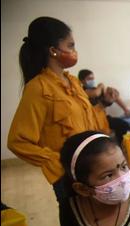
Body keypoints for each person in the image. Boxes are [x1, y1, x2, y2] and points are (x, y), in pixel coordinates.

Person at [8, 16, 101, 203]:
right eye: (71, 45)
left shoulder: (74, 82)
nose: (75, 51)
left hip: (93, 166)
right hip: (68, 177)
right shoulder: (38, 88)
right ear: (53, 51)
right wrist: (56, 163)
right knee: (78, 225)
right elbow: (17, 141)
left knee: (101, 223)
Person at [78, 69, 130, 144]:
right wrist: (101, 86)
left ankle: (121, 145)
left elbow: (115, 98)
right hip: (90, 121)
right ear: (81, 80)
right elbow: (95, 94)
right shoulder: (81, 91)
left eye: (93, 78)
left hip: (103, 117)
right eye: (89, 79)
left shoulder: (96, 89)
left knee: (123, 124)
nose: (92, 81)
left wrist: (126, 109)